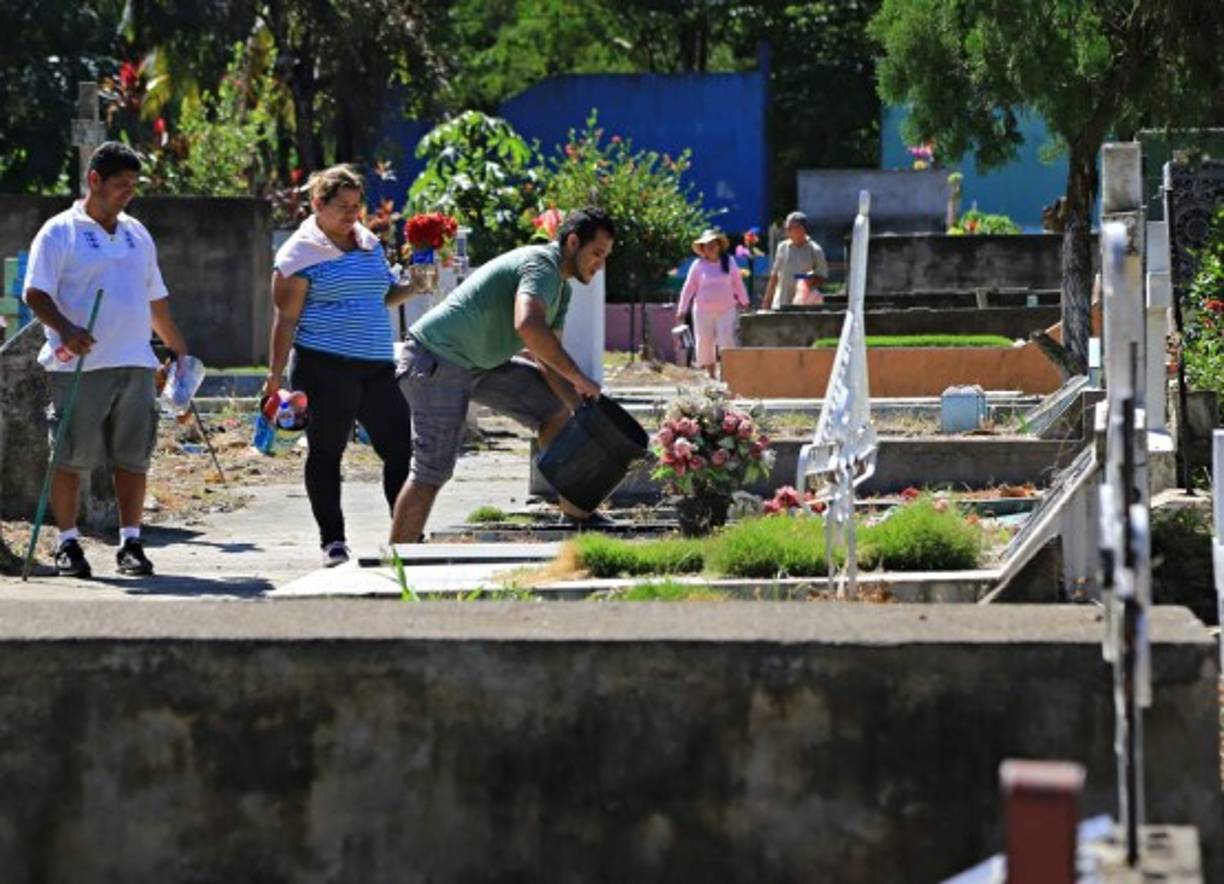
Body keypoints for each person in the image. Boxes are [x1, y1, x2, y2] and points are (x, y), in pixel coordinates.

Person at [389, 206, 614, 544]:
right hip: (435, 358)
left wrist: (578, 406)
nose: (600, 264)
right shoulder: (541, 266)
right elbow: (528, 325)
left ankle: (575, 510)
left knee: (554, 410)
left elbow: (546, 358)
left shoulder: (562, 290)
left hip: (478, 364)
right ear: (572, 242)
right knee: (432, 469)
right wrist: (581, 378)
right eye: (596, 253)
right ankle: (399, 560)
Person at [23, 141, 191, 578]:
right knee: (70, 456)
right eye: (120, 185)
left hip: (135, 362)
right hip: (79, 365)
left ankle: (131, 542)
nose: (128, 193)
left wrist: (177, 348)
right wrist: (66, 329)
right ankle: (67, 542)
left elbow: (156, 301)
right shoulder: (60, 231)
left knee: (133, 457)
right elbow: (35, 293)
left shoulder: (137, 233)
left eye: (133, 186)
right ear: (94, 180)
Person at [263, 164, 427, 567]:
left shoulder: (369, 243)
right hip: (324, 366)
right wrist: (274, 376)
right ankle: (332, 541)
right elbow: (285, 318)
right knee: (326, 452)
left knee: (399, 448)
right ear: (318, 204)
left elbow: (379, 297)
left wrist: (415, 287)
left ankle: (405, 535)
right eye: (342, 206)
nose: (352, 214)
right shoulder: (299, 254)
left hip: (375, 364)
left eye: (357, 205)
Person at [676, 229, 749, 379]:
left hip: (726, 308)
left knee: (727, 338)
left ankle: (727, 372)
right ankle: (711, 373)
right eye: (706, 245)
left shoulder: (729, 262)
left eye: (713, 244)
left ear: (719, 246)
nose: (710, 247)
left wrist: (744, 301)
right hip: (703, 310)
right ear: (702, 249)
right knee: (704, 340)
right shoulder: (698, 265)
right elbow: (688, 287)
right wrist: (682, 309)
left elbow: (737, 283)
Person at [760, 210, 829, 311]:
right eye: (786, 228)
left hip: (804, 307)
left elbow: (822, 277)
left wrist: (809, 280)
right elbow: (774, 276)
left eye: (789, 228)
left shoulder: (815, 250)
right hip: (781, 304)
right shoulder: (782, 247)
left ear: (801, 229)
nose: (786, 231)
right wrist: (766, 303)